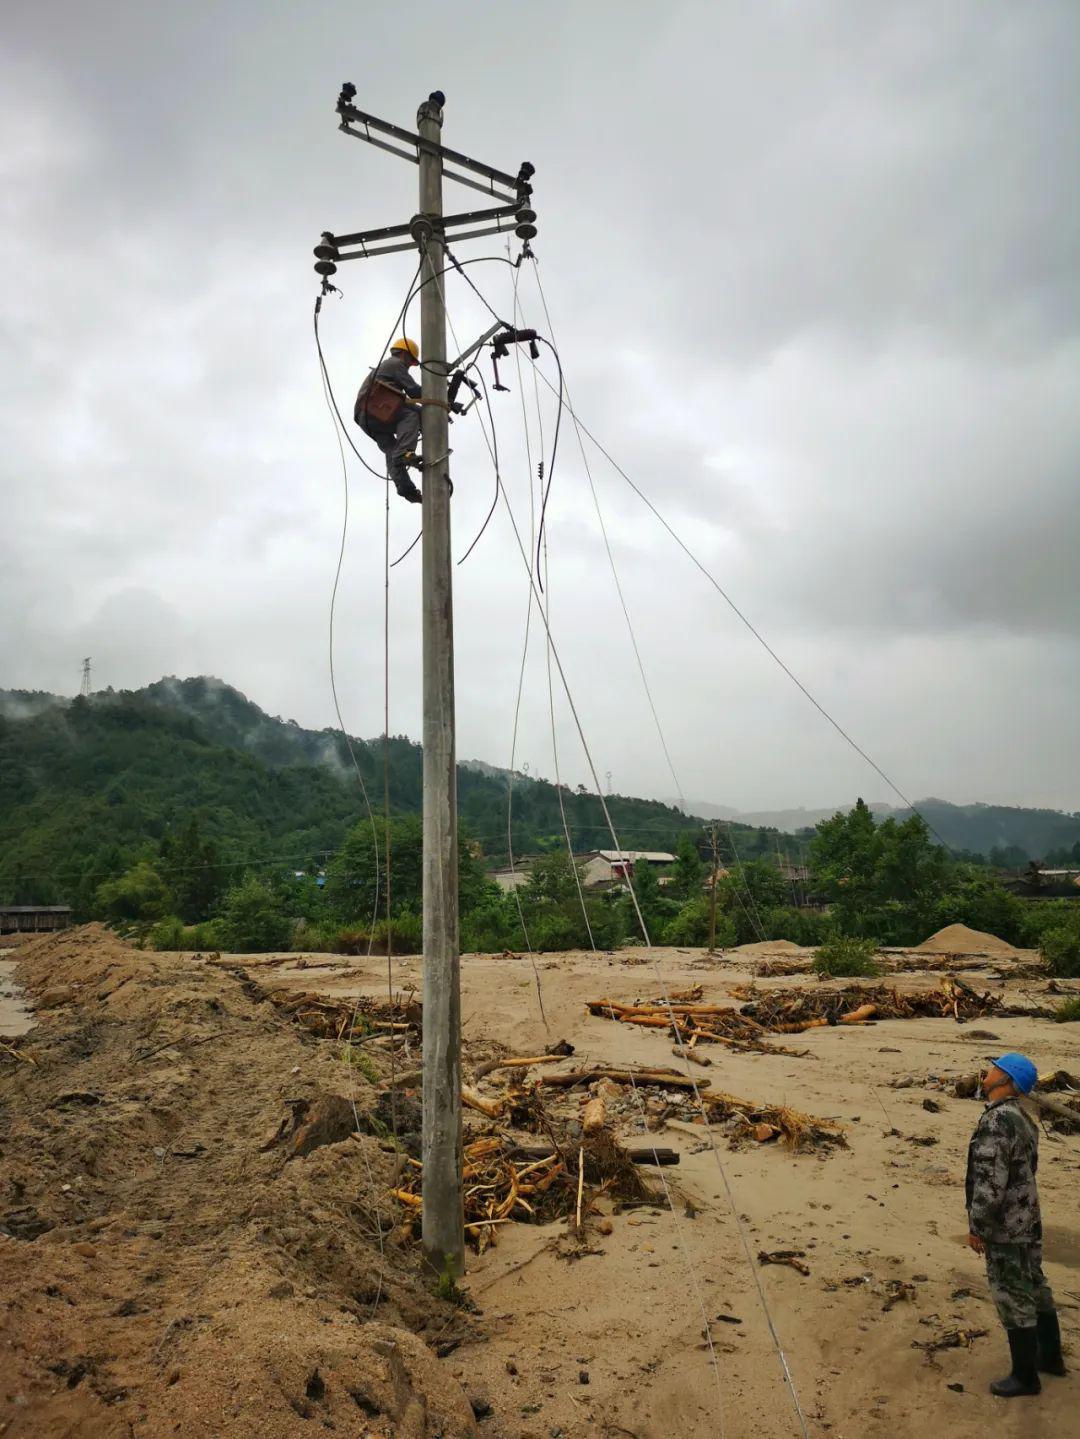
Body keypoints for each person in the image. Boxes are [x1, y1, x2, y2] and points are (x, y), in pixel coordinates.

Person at [965, 1051, 1066, 1397]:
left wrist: (978, 1225)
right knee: (1035, 1284)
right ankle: (1050, 1358)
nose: (987, 1073)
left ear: (1006, 1081)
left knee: (1012, 1293)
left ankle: (1025, 1377)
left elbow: (991, 1183)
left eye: (995, 1070)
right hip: (1028, 1218)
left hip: (1006, 1225)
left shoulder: (997, 1122)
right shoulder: (1022, 1118)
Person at [354, 337, 424, 503]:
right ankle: (405, 453)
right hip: (376, 409)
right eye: (410, 362)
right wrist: (440, 397)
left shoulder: (386, 367)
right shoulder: (394, 364)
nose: (408, 366)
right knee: (411, 415)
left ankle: (407, 490)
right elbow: (415, 392)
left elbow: (405, 399)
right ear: (404, 354)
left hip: (367, 418)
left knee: (392, 452)